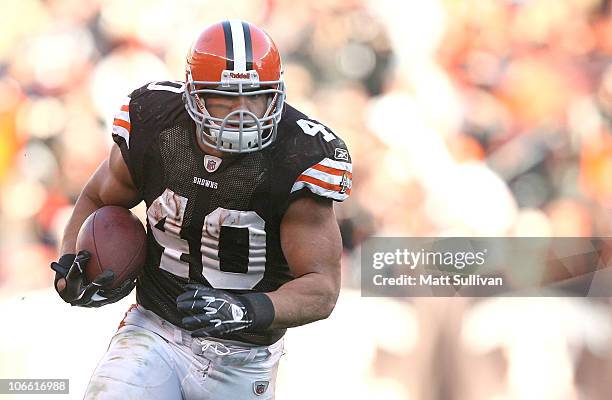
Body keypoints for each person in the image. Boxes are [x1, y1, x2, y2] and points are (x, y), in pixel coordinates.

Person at [50, 19, 352, 399]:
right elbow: (97, 198)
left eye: (255, 96)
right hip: (155, 329)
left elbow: (321, 288)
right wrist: (71, 265)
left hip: (244, 355)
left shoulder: (299, 155)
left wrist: (245, 309)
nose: (242, 112)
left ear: (276, 95)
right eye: (224, 97)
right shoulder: (156, 123)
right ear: (193, 95)